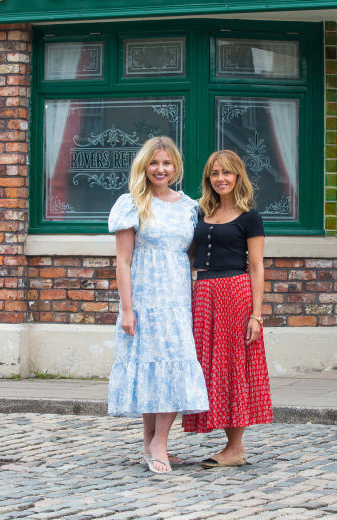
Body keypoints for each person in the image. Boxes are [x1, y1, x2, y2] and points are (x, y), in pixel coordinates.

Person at [107, 136, 209, 474]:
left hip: (178, 299)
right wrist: (127, 308)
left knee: (174, 362)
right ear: (144, 166)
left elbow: (193, 257)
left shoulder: (190, 207)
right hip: (144, 298)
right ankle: (150, 444)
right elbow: (123, 261)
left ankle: (159, 442)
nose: (160, 169)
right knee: (150, 365)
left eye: (166, 163)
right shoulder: (132, 202)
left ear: (175, 166)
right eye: (154, 163)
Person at [182, 149, 272, 467]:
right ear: (209, 178)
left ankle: (235, 448)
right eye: (215, 173)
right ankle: (227, 444)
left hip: (235, 293)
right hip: (204, 292)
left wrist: (256, 314)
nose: (221, 178)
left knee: (234, 366)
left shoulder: (250, 217)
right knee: (208, 365)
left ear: (238, 176)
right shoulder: (201, 213)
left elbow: (257, 267)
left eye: (227, 173)